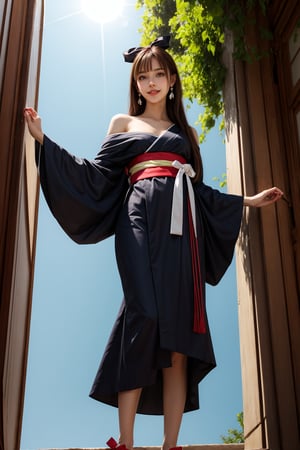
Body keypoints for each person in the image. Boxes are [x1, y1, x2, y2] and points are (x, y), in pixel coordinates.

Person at [24, 35, 283, 450]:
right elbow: (94, 175)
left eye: (159, 73)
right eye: (143, 76)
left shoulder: (187, 133)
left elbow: (200, 194)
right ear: (135, 84)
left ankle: (170, 444)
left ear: (172, 78)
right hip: (137, 216)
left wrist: (248, 201)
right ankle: (125, 441)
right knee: (141, 313)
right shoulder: (122, 124)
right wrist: (43, 141)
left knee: (179, 337)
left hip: (183, 233)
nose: (151, 82)